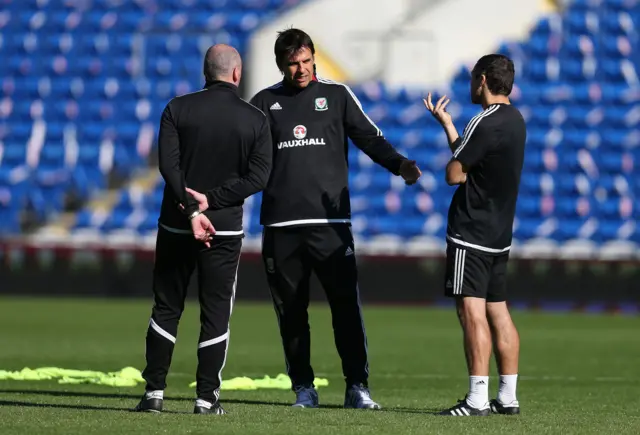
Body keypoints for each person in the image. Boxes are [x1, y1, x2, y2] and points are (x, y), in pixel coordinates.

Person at [217, 28, 419, 410]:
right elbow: (239, 156)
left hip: (331, 226)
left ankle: (357, 387)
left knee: (345, 308)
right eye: (293, 63)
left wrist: (400, 165)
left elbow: (369, 137)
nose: (302, 69)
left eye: (307, 61)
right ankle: (304, 388)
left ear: (314, 58)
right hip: (280, 227)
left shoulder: (337, 96)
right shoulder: (263, 102)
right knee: (292, 314)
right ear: (281, 64)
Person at [133, 44, 272, 415]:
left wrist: (193, 208)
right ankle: (206, 398)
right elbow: (259, 177)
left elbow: (168, 167)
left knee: (166, 307)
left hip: (177, 224)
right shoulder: (255, 119)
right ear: (237, 74)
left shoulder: (176, 109)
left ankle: (153, 394)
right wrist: (211, 201)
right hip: (224, 229)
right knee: (215, 313)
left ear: (205, 72)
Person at [424, 54, 526, 416]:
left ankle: (477, 399)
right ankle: (508, 396)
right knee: (499, 312)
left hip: (471, 232)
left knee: (472, 313)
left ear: (482, 80)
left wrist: (460, 168)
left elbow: (454, 174)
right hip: (500, 233)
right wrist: (449, 126)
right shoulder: (515, 119)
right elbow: (473, 160)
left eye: (472, 79)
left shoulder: (484, 121)